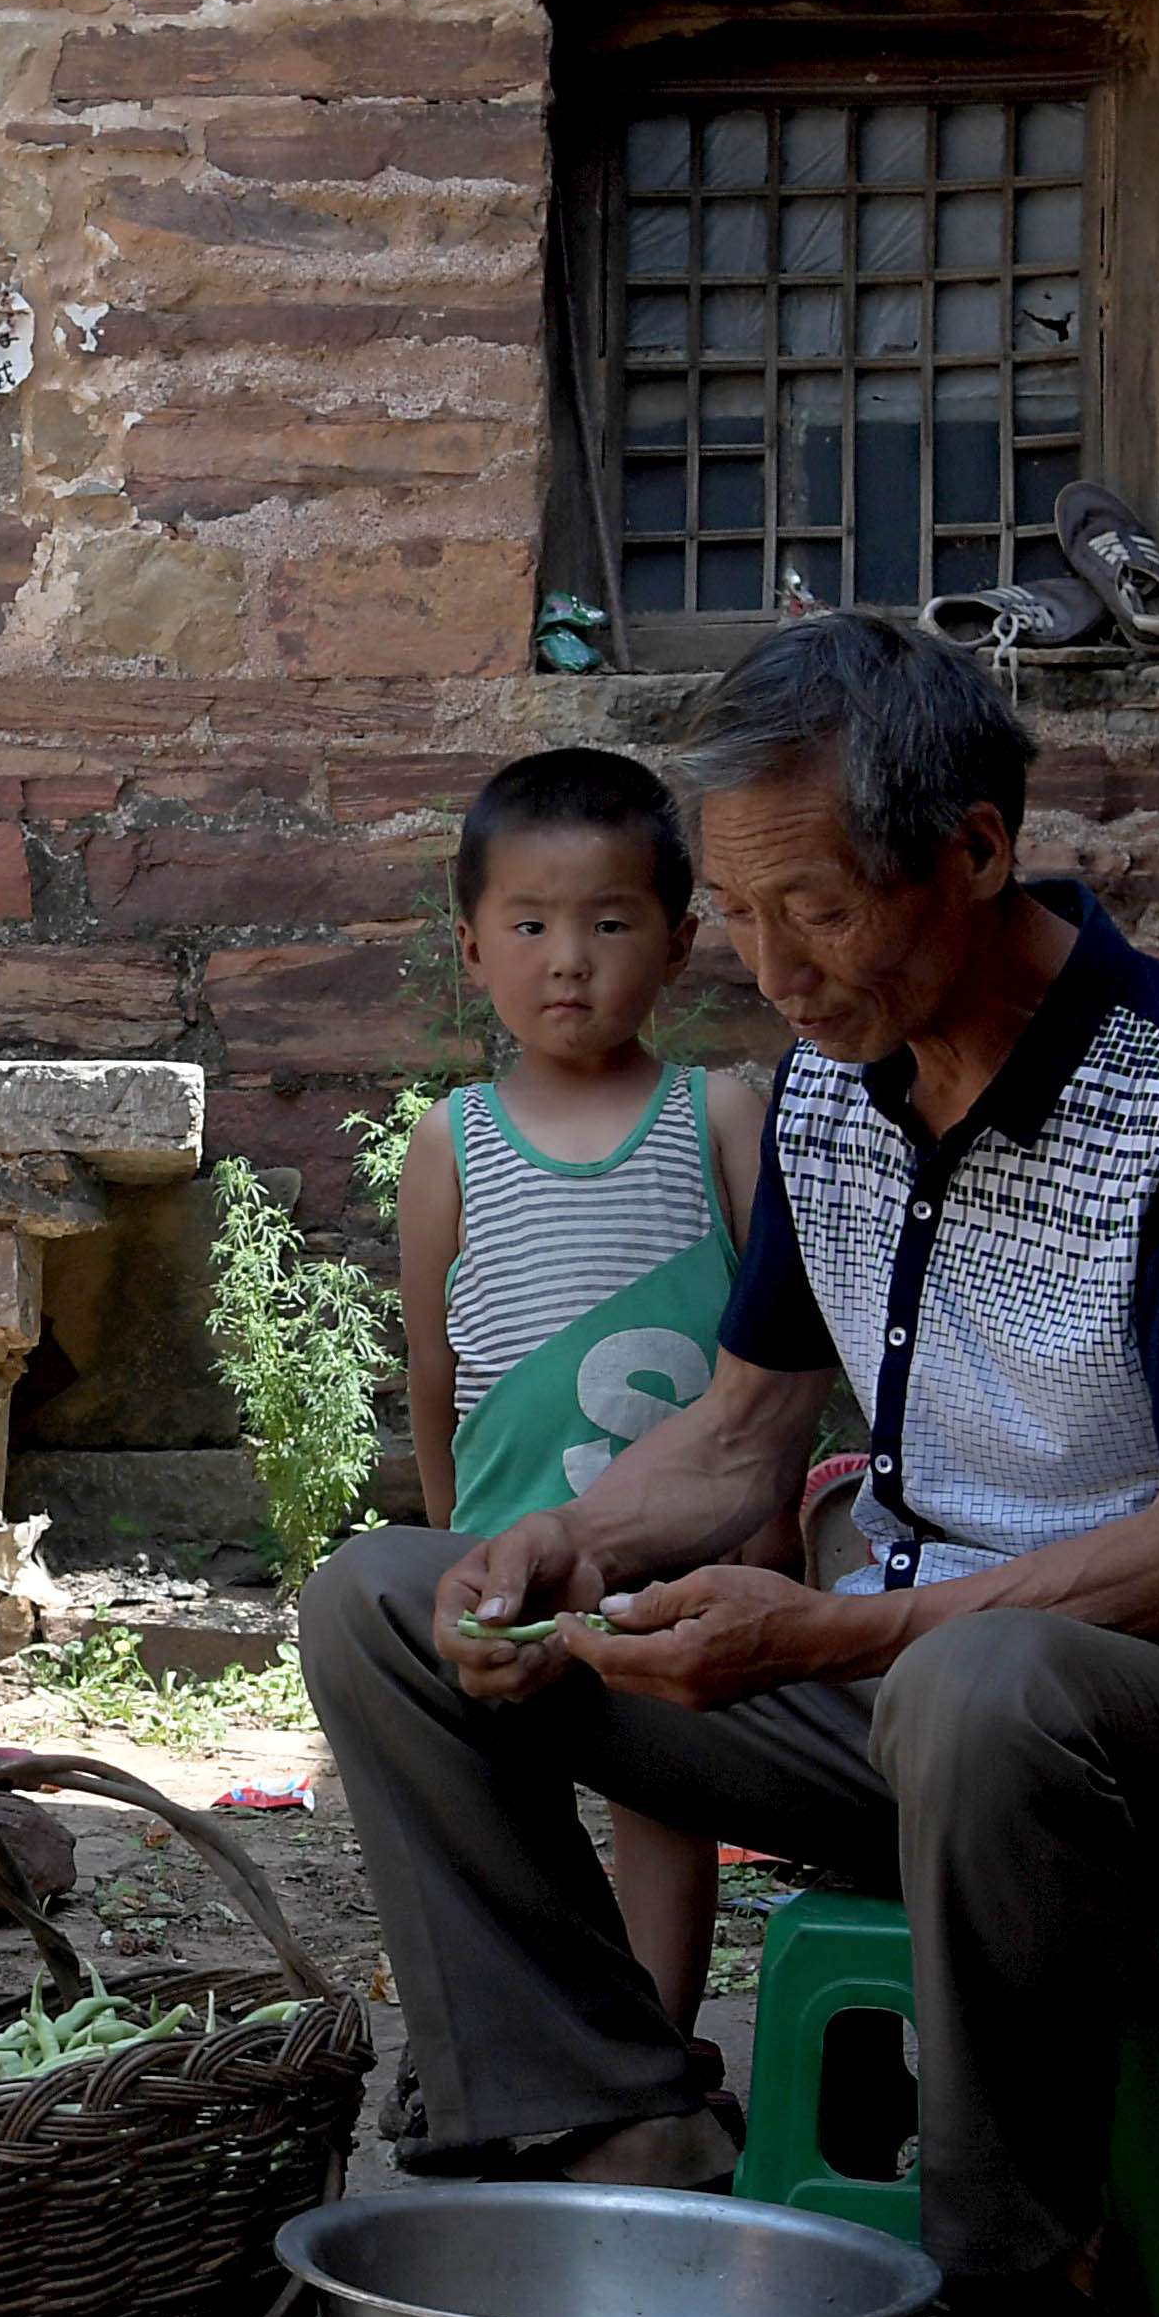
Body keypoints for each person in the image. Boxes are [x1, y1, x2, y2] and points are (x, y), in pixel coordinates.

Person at [302, 612, 1159, 2317]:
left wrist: (852, 1630)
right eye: (737, 910)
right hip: (894, 1698)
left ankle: (1023, 2270)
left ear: (972, 847)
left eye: (823, 904)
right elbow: (742, 1433)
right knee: (387, 1603)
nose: (777, 966)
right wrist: (568, 1543)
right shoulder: (833, 1089)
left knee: (990, 1682)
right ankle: (600, 2106)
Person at [394, 749, 770, 2040]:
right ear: (470, 945)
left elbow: (766, 1362)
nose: (569, 960)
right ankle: (544, 2040)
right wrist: (452, 1530)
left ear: (674, 945)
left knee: (663, 1796)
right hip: (507, 1537)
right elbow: (432, 1361)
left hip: (672, 1554)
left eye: (609, 923)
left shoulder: (714, 1115)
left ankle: (657, 2046)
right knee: (503, 1790)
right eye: (531, 924)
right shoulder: (450, 1139)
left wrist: (766, 1544)